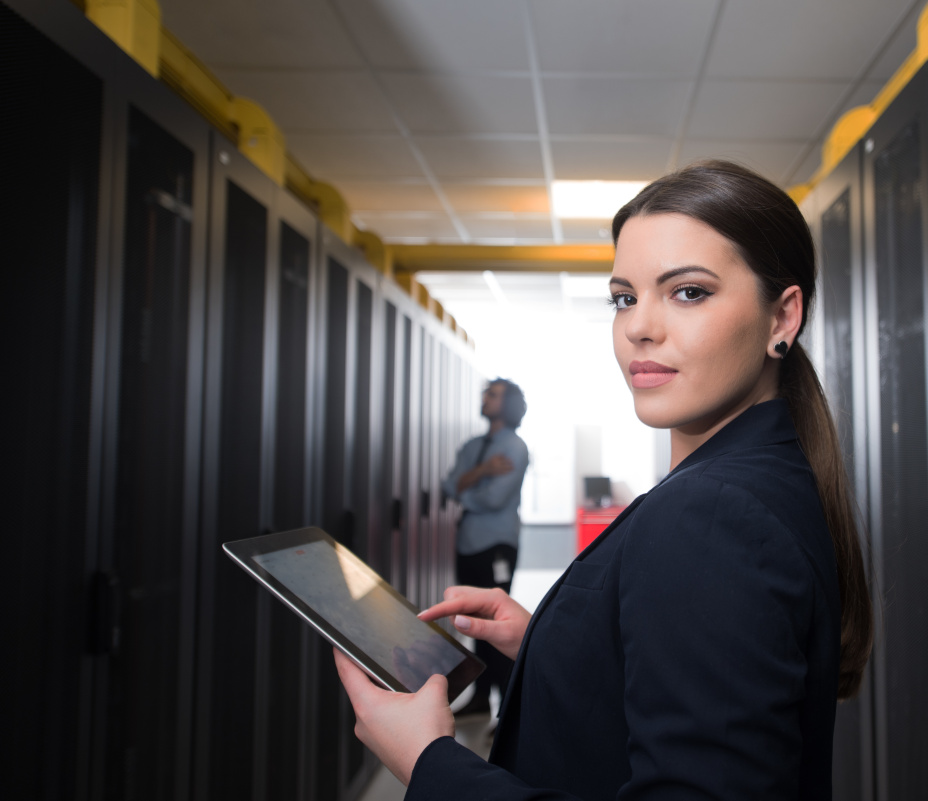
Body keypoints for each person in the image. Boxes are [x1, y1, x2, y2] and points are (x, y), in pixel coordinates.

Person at [334, 160, 873, 800]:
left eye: (689, 291)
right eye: (625, 297)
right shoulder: (761, 475)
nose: (639, 327)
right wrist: (553, 644)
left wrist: (428, 762)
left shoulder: (712, 512)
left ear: (782, 318)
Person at [439, 378, 530, 718]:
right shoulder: (473, 446)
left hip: (497, 547)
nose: (485, 398)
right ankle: (480, 697)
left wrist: (467, 484)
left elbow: (494, 499)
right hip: (468, 542)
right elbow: (449, 486)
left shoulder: (515, 448)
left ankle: (507, 710)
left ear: (507, 404)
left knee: (496, 624)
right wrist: (482, 471)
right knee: (472, 622)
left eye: (492, 395)